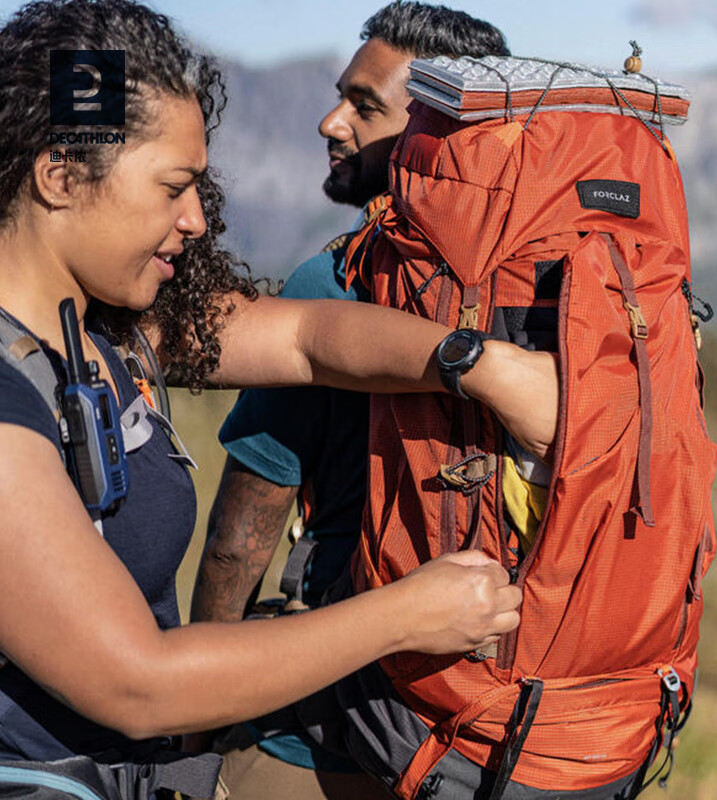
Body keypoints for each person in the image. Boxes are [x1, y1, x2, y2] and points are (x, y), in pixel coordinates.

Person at [0, 0, 558, 796]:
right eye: (173, 188)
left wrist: (480, 364)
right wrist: (407, 615)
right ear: (59, 177)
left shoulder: (105, 331)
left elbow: (306, 336)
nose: (196, 219)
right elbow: (138, 683)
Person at [190, 4, 509, 795]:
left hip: (334, 739)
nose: (332, 122)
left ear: (435, 127)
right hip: (504, 739)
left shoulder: (336, 285)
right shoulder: (553, 292)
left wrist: (194, 722)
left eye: (365, 106)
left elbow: (238, 541)